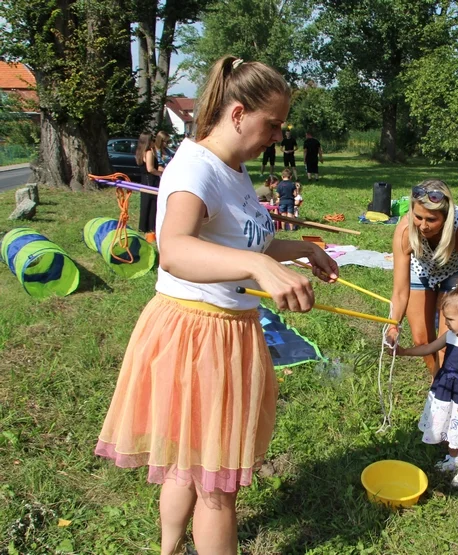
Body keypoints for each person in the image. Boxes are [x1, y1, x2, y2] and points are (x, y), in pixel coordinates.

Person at [95, 55, 339, 555]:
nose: (277, 135)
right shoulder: (194, 167)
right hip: (197, 334)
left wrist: (301, 249)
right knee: (216, 486)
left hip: (227, 330)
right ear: (237, 113)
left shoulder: (235, 168)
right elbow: (177, 248)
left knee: (190, 462)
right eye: (271, 124)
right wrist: (258, 269)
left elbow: (243, 243)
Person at [386, 180, 458, 377]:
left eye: (431, 220)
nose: (423, 226)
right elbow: (400, 292)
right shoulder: (405, 230)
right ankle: (439, 381)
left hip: (453, 271)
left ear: (446, 217)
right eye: (418, 217)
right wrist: (393, 326)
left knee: (448, 341)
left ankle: (446, 386)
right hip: (422, 269)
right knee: (421, 340)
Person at [396, 282, 458, 487]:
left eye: (450, 319)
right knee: (448, 423)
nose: (446, 323)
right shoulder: (450, 335)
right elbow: (429, 347)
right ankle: (452, 457)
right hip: (445, 388)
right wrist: (405, 352)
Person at [136, 131, 164, 243]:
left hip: (145, 180)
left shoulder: (140, 151)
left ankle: (147, 228)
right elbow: (150, 169)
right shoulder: (148, 152)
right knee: (152, 205)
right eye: (153, 140)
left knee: (146, 204)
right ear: (149, 141)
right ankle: (151, 229)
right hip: (150, 181)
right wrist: (161, 173)